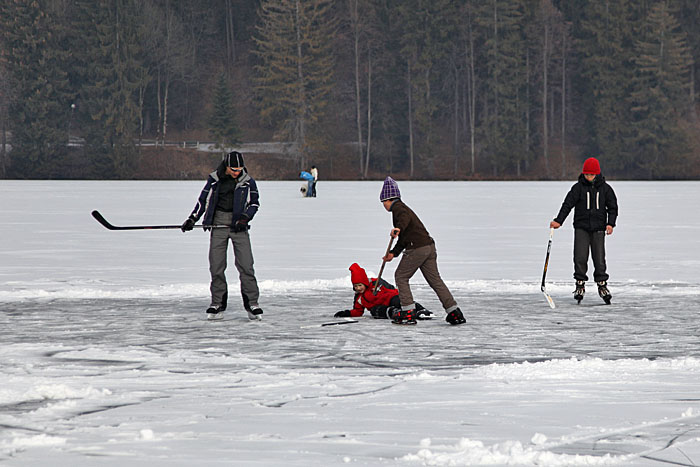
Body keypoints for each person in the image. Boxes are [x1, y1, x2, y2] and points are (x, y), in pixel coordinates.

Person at [181, 151, 263, 321]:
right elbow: (203, 201)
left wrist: (244, 218)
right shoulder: (214, 180)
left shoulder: (248, 182)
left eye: (240, 169)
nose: (237, 172)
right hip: (218, 222)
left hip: (238, 225)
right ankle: (217, 303)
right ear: (226, 166)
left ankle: (252, 304)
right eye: (234, 169)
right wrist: (192, 219)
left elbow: (254, 203)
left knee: (246, 265)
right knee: (216, 266)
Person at [379, 177, 466, 325]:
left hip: (417, 248)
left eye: (383, 203)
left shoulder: (398, 208)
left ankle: (407, 312)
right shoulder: (403, 208)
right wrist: (393, 253)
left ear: (388, 199)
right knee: (435, 281)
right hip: (429, 247)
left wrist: (398, 228)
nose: (384, 206)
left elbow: (404, 222)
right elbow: (405, 237)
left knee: (401, 276)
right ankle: (454, 312)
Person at [550, 157, 618, 304]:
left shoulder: (606, 189)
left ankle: (602, 286)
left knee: (599, 259)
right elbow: (567, 205)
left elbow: (613, 208)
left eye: (591, 175)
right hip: (581, 227)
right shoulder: (578, 188)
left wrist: (610, 224)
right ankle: (580, 284)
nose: (588, 177)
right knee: (580, 257)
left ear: (597, 174)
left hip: (599, 228)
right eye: (586, 174)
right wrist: (558, 221)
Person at [333, 263, 432, 320]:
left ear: (364, 283)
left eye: (360, 285)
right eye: (355, 286)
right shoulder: (358, 298)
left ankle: (421, 310)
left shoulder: (376, 283)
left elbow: (392, 289)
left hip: (390, 298)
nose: (358, 288)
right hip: (382, 308)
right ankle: (396, 313)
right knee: (374, 311)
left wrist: (381, 291)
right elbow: (358, 311)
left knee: (398, 300)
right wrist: (347, 313)